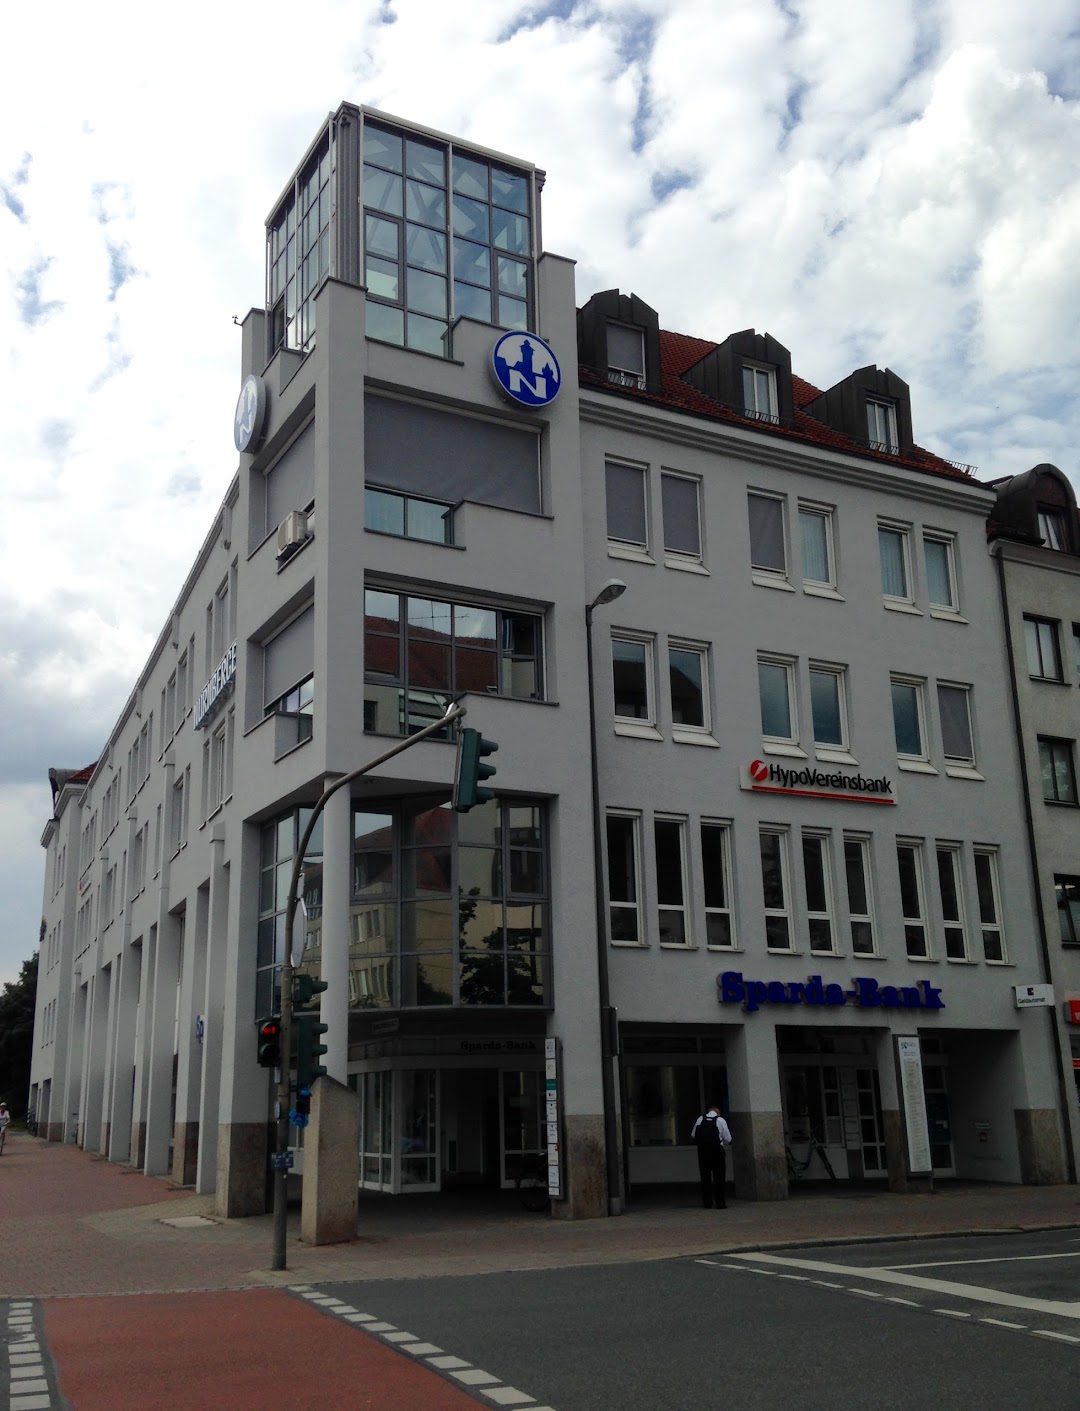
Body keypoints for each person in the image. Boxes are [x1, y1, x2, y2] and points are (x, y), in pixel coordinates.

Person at [690, 1102, 732, 1208]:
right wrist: (722, 1143)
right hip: (717, 1151)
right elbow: (728, 1139)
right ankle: (720, 1203)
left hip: (703, 1151)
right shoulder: (721, 1120)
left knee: (705, 1177)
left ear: (708, 1111)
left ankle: (707, 1202)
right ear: (718, 1112)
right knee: (719, 1176)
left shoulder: (700, 1119)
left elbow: (693, 1135)